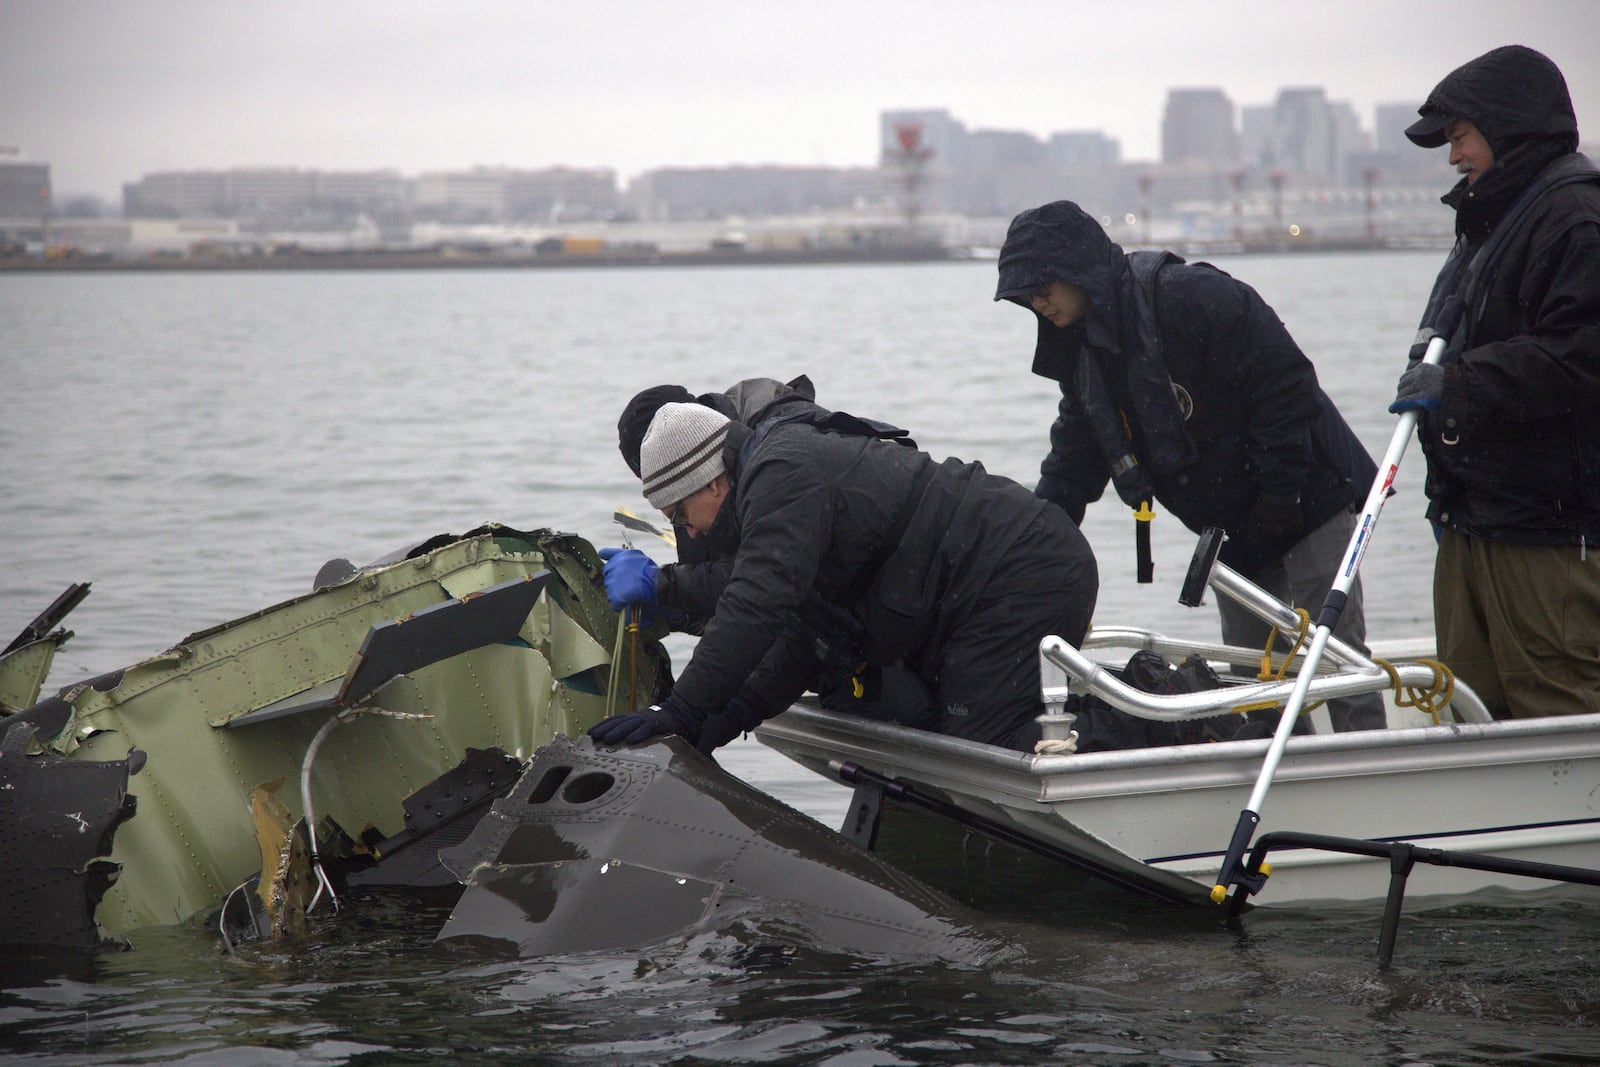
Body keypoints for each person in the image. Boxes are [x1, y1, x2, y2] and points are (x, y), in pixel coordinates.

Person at [995, 199, 1386, 732]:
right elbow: (1073, 460)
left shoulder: (1189, 296)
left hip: (1309, 496)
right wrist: (1032, 541)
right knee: (1253, 677)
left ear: (1077, 271)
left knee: (1338, 655)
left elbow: (1286, 385)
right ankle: (1284, 778)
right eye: (1025, 295)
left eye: (1042, 287)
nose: (1036, 302)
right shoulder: (1083, 355)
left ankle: (1367, 769)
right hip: (1231, 525)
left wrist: (1280, 494)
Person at [588, 400, 1099, 754]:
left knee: (989, 746)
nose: (686, 531)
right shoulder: (766, 490)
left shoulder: (781, 471)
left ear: (711, 481)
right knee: (944, 727)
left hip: (1023, 568)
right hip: (984, 586)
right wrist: (726, 715)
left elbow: (755, 603)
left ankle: (1160, 723)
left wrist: (680, 712)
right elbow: (807, 638)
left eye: (679, 513)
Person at [1388, 45, 1600, 719]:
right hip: (1473, 519)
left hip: (1545, 529)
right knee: (1463, 704)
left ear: (1507, 128)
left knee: (1555, 702)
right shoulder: (1487, 221)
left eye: (1459, 136)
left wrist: (1457, 384)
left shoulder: (1573, 218)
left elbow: (1579, 355)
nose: (1453, 156)